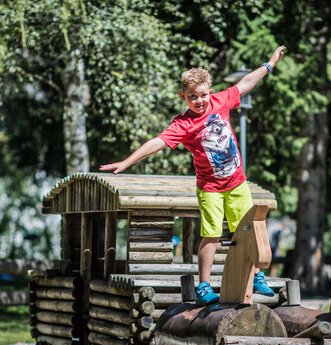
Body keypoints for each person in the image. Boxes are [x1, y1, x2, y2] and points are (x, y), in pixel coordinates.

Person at [100, 45, 286, 305]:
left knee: (246, 230)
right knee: (210, 234)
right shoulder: (183, 124)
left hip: (237, 183)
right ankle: (204, 285)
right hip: (210, 187)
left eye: (202, 95)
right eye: (192, 97)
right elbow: (157, 142)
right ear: (183, 97)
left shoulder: (221, 101)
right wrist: (127, 161)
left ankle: (256, 276)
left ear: (210, 92)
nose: (198, 101)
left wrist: (269, 64)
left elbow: (245, 84)